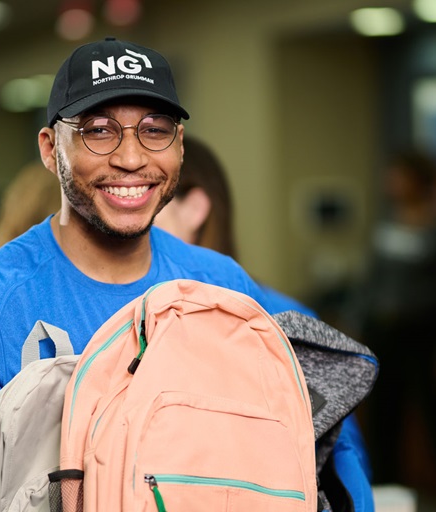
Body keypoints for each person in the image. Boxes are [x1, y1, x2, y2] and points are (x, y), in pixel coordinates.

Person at [0, 37, 300, 510]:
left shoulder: (220, 288)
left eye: (154, 130)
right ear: (50, 149)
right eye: (99, 131)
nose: (131, 159)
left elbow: (259, 464)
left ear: (181, 147)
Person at [154, 135, 375, 511]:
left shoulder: (277, 320)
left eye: (151, 199)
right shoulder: (144, 321)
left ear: (193, 209)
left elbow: (345, 468)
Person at [349, 151, 436, 512]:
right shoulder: (387, 223)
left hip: (422, 337)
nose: (391, 182)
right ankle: (384, 498)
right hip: (384, 334)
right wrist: (354, 325)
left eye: (399, 175)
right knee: (383, 425)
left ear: (418, 180)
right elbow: (370, 281)